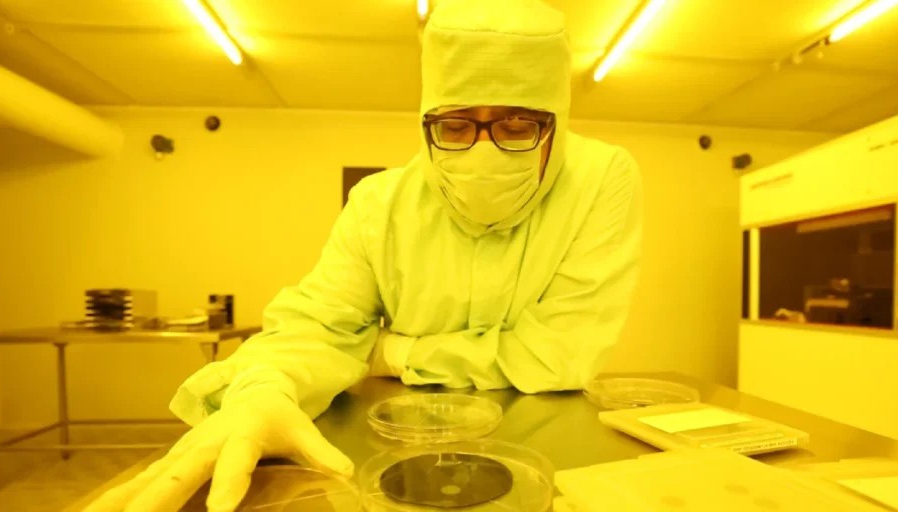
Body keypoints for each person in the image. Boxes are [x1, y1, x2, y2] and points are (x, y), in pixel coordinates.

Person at [86, 0, 641, 510]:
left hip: (549, 452)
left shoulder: (600, 179)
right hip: (403, 450)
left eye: (518, 124)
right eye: (454, 125)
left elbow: (559, 356)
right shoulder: (380, 204)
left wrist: (395, 352)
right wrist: (263, 387)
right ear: (426, 122)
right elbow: (315, 328)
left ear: (556, 122)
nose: (483, 151)